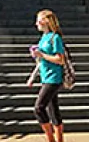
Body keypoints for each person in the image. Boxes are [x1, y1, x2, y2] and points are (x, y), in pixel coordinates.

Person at [28, 9, 65, 142]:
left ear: (46, 21)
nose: (36, 23)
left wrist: (42, 54)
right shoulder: (43, 38)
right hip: (45, 76)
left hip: (54, 77)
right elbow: (41, 60)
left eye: (38, 20)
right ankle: (59, 138)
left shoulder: (55, 38)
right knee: (53, 109)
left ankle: (51, 139)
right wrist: (33, 76)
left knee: (39, 108)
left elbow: (60, 59)